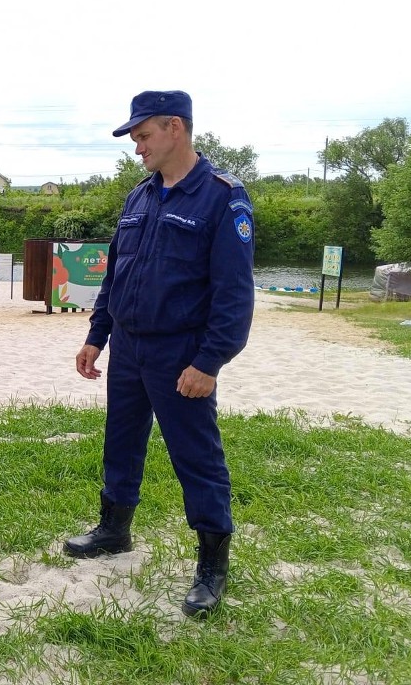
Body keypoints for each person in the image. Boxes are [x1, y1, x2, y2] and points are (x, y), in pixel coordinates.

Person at [63, 90, 255, 619]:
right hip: (128, 346)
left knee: (196, 457)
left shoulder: (222, 198)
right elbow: (116, 274)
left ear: (176, 127)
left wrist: (209, 362)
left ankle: (212, 565)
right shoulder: (139, 198)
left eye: (143, 136)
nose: (137, 147)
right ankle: (114, 528)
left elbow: (234, 296)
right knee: (121, 440)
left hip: (182, 354)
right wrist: (96, 336)